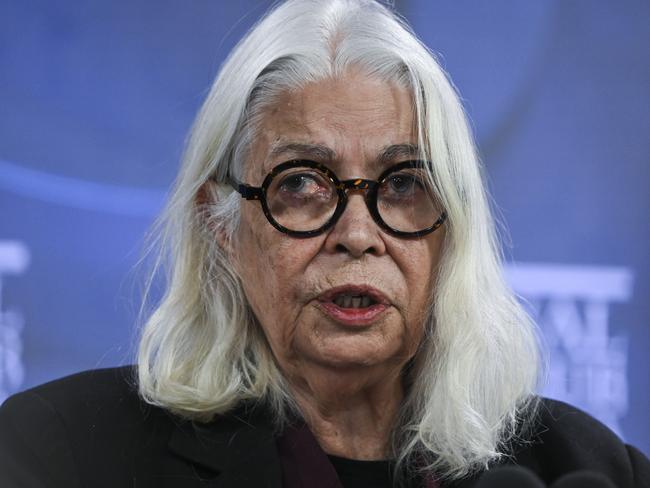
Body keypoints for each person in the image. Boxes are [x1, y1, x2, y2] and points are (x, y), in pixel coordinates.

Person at [0, 1, 648, 487]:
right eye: (303, 183)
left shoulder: (586, 467)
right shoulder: (59, 455)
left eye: (403, 184)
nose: (359, 235)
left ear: (451, 232)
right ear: (221, 227)